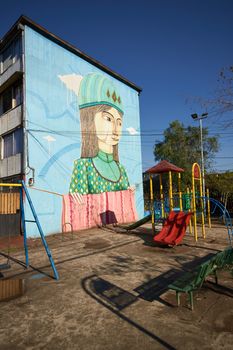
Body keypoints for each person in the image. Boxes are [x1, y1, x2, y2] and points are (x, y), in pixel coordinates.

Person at [69, 73, 131, 195]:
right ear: (90, 118)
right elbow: (78, 210)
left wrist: (129, 193)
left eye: (119, 123)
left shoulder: (121, 169)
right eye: (108, 119)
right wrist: (75, 198)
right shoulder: (83, 166)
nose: (115, 129)